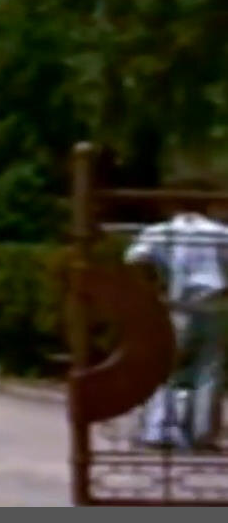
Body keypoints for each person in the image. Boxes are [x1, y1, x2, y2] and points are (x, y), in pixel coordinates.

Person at [126, 179, 228, 450]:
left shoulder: (161, 232)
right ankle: (202, 434)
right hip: (216, 305)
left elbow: (136, 259)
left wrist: (155, 286)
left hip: (179, 304)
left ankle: (160, 430)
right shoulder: (220, 233)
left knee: (167, 368)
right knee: (209, 371)